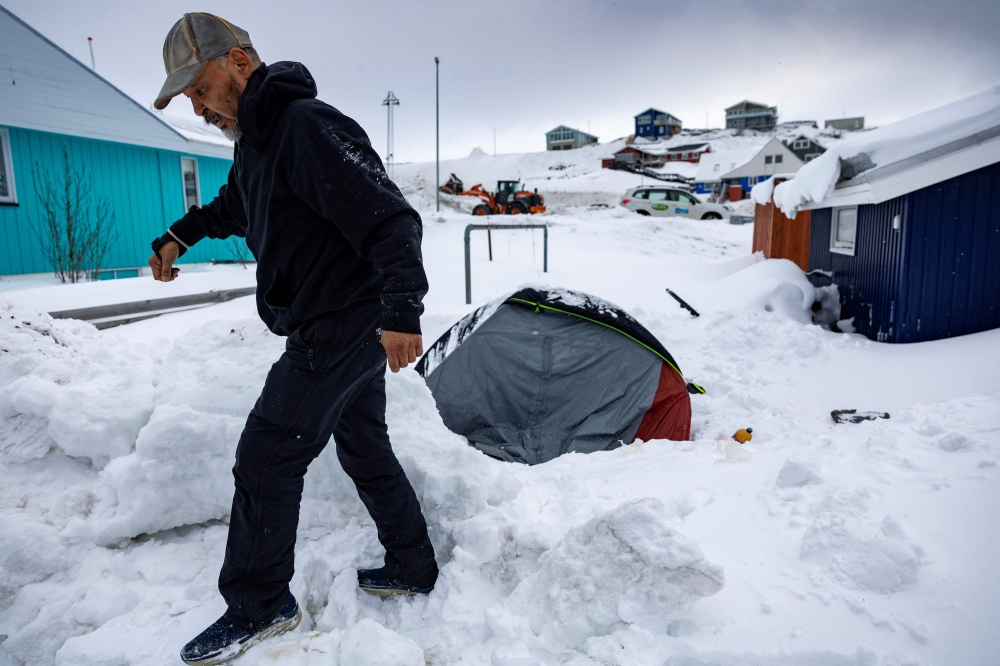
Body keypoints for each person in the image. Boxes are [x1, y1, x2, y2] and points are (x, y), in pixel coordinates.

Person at [147, 13, 438, 665]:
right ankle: (413, 564)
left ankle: (258, 604)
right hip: (336, 324)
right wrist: (179, 235)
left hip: (340, 323)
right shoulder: (257, 142)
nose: (196, 107)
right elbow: (234, 205)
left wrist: (402, 309)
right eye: (188, 98)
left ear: (239, 64)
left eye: (198, 89)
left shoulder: (306, 127)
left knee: (266, 456)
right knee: (363, 446)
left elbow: (391, 218)